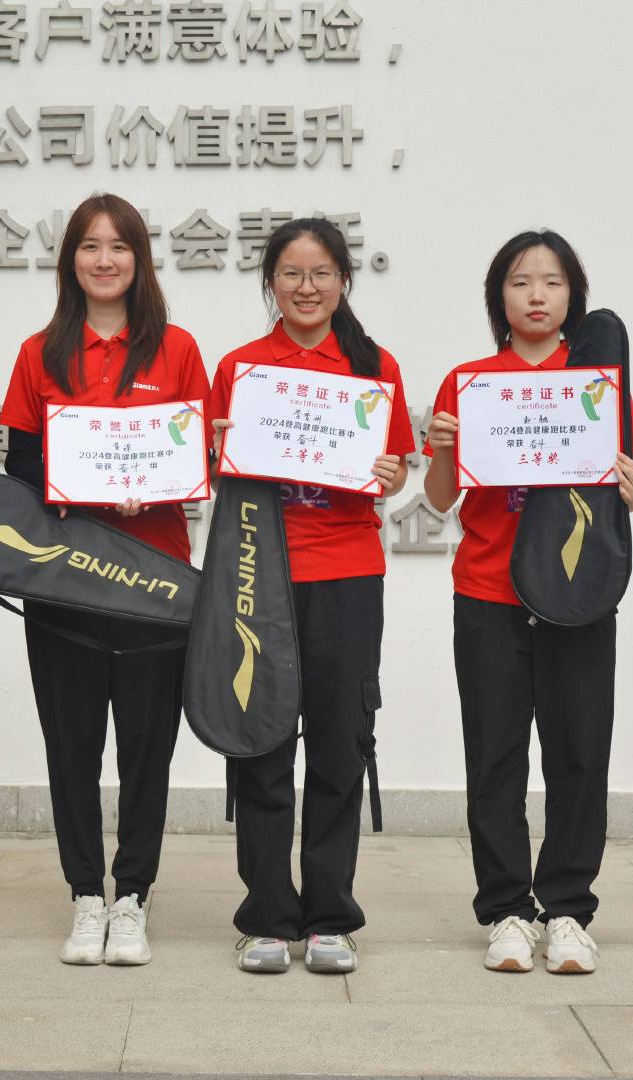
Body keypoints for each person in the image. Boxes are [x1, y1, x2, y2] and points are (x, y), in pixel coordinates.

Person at [424, 229, 633, 975]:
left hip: (577, 594)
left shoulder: (596, 382)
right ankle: (507, 913)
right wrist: (444, 447)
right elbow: (440, 498)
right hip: (487, 592)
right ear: (500, 296)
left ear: (572, 295)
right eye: (520, 282)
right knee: (494, 757)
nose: (536, 296)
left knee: (580, 755)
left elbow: (627, 484)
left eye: (552, 282)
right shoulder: (470, 383)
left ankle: (568, 911)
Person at [0, 193, 209, 966]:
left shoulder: (177, 349)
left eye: (119, 246)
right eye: (90, 245)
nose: (104, 259)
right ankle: (86, 894)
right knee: (73, 743)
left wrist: (152, 486)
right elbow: (21, 469)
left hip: (156, 582)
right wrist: (78, 490)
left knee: (148, 747)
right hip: (63, 582)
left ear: (139, 259)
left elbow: (198, 457)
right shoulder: (39, 353)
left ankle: (133, 898)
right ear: (72, 261)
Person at [207, 218, 416, 974]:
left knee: (339, 743)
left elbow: (396, 468)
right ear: (271, 282)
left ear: (343, 281)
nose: (306, 287)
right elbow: (214, 472)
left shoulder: (374, 366)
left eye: (321, 272)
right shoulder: (241, 369)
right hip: (256, 573)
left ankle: (331, 916)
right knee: (260, 741)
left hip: (348, 573)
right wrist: (217, 448)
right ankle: (266, 916)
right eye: (291, 273)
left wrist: (393, 474)